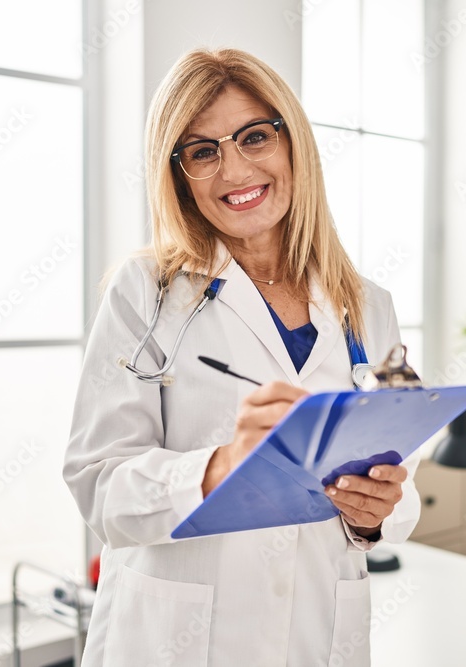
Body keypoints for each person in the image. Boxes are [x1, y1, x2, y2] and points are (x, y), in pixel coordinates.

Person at [63, 47, 421, 667]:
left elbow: (401, 468)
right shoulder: (145, 293)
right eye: (203, 151)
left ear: (293, 144)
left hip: (318, 632)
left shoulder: (370, 307)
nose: (233, 170)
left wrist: (375, 515)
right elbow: (99, 485)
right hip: (176, 640)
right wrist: (217, 468)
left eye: (254, 136)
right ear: (178, 174)